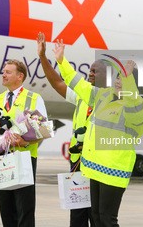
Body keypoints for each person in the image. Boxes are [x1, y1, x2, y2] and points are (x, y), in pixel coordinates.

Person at [53, 41, 143, 227]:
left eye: (123, 79)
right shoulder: (103, 96)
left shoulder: (139, 109)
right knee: (97, 217)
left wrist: (128, 80)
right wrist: (62, 62)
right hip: (94, 169)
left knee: (107, 219)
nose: (118, 82)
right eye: (118, 77)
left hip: (113, 172)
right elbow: (78, 84)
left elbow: (132, 102)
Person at [37, 32, 100, 227]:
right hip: (78, 165)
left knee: (99, 217)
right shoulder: (82, 97)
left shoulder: (110, 100)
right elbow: (57, 82)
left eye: (95, 71)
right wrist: (43, 58)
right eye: (90, 70)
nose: (90, 73)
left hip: (99, 166)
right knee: (78, 217)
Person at [0, 59, 47, 227]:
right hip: (1, 159)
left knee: (24, 210)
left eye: (7, 72)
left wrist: (24, 142)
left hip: (24, 157)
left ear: (20, 76)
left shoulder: (34, 98)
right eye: (4, 71)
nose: (3, 74)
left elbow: (43, 131)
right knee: (6, 209)